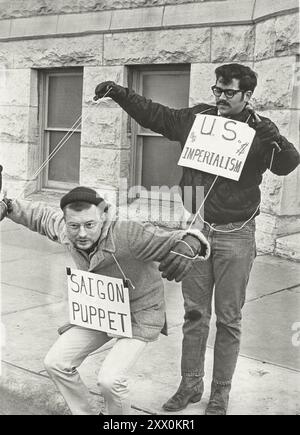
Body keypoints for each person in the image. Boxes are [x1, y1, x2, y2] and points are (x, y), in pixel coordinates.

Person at [94, 63, 300, 415]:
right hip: (195, 230)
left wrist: (276, 141)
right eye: (216, 90)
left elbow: (286, 164)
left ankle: (220, 393)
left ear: (247, 95)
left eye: (228, 92)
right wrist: (119, 92)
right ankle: (190, 385)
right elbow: (156, 115)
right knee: (194, 313)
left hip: (237, 234)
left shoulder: (259, 130)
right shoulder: (198, 119)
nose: (220, 97)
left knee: (229, 318)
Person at [0, 186, 210, 415]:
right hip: (100, 312)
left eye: (89, 225)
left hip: (139, 314)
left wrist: (191, 243)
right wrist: (9, 205)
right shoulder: (65, 229)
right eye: (74, 226)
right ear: (66, 222)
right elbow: (39, 216)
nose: (81, 233)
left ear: (103, 217)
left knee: (110, 380)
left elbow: (173, 239)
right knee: (56, 362)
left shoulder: (128, 233)